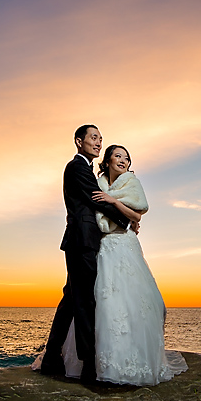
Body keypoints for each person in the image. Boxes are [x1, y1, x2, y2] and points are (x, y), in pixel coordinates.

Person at [57, 144, 188, 386]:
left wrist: (113, 202)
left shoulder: (131, 183)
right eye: (117, 156)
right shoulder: (98, 182)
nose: (123, 161)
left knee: (134, 299)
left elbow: (137, 215)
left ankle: (130, 358)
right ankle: (95, 361)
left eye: (126, 158)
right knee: (102, 300)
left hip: (124, 243)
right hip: (103, 244)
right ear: (106, 161)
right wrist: (108, 201)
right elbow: (89, 205)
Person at [37, 125, 132, 384]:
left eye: (101, 139)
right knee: (84, 301)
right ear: (79, 141)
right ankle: (88, 364)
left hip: (81, 239)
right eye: (93, 138)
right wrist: (124, 221)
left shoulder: (84, 168)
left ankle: (50, 358)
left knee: (71, 299)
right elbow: (95, 198)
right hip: (82, 240)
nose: (98, 142)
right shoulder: (77, 166)